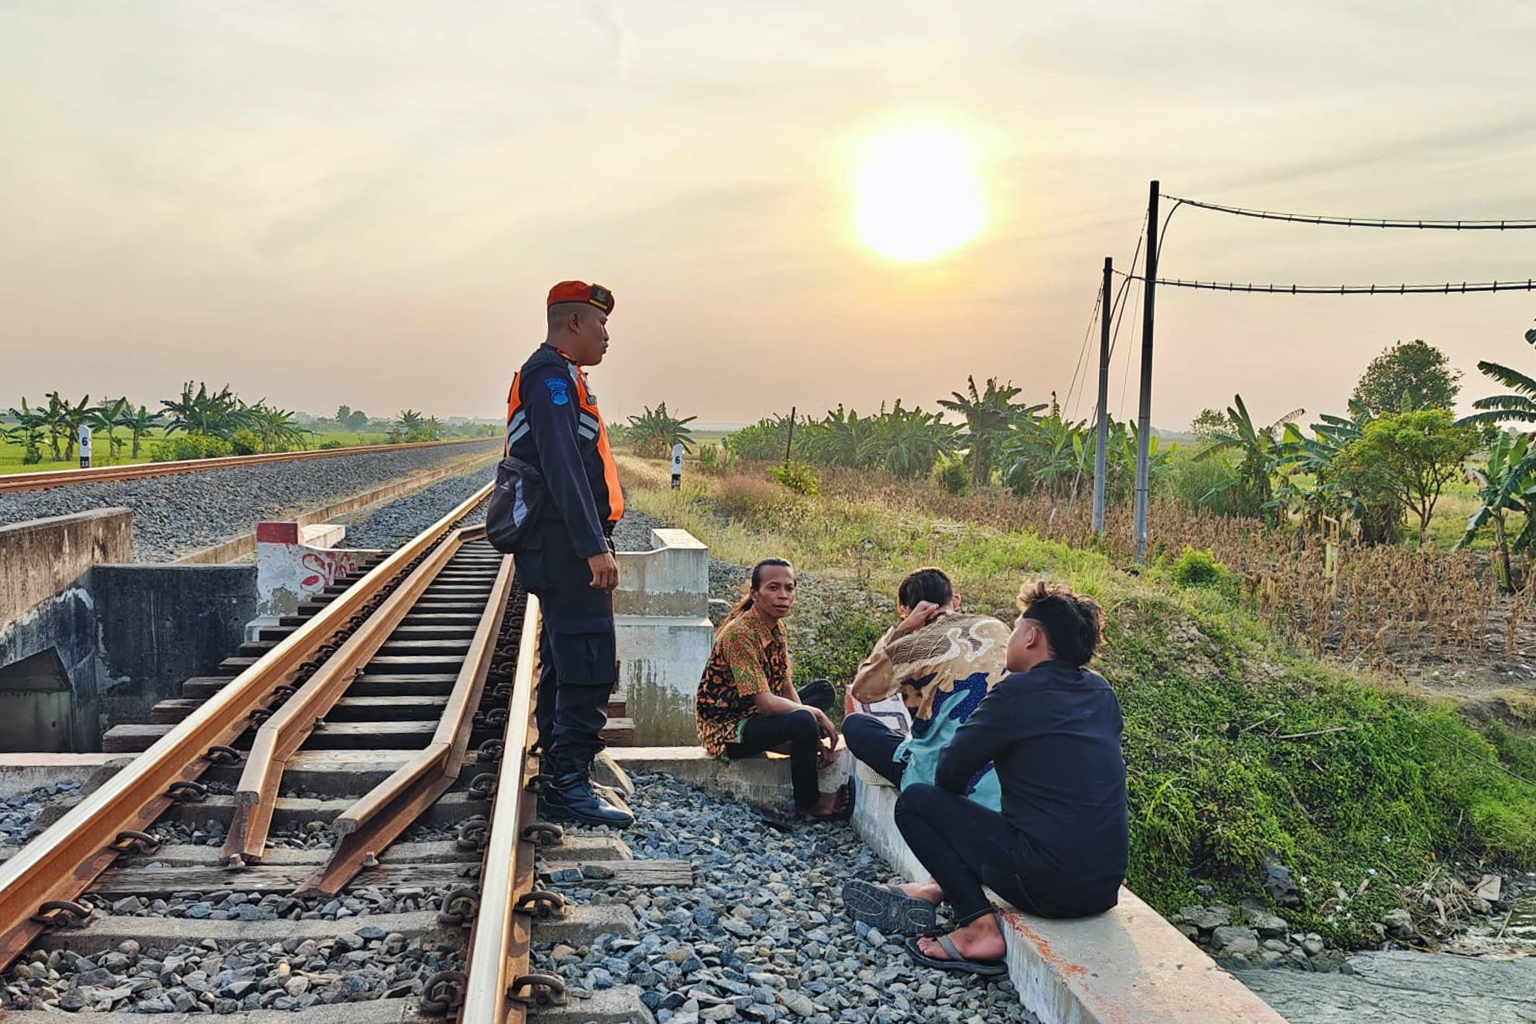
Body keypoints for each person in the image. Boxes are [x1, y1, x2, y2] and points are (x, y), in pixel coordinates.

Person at [878, 581, 1127, 978]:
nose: (1010, 638)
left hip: (1047, 887)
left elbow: (949, 772)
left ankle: (976, 927)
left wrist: (958, 833)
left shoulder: (1017, 691)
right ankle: (936, 888)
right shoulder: (1100, 692)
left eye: (1014, 629)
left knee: (918, 804)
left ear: (1031, 636)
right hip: (1102, 886)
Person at [504, 280, 632, 829]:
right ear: (574, 324)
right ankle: (569, 783)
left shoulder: (560, 376)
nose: (607, 337)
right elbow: (562, 465)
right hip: (564, 544)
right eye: (601, 325)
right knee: (587, 659)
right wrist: (593, 547)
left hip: (560, 541)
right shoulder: (551, 376)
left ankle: (561, 765)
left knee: (565, 657)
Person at [839, 567, 1011, 934]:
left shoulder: (911, 645)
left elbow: (863, 690)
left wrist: (899, 634)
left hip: (935, 779)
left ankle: (940, 895)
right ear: (957, 601)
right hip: (1001, 781)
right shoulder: (996, 628)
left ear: (905, 609)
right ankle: (930, 889)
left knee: (857, 727)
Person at [694, 558, 850, 821]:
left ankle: (797, 740)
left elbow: (784, 682)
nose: (783, 596)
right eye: (773, 588)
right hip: (728, 729)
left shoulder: (776, 626)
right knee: (803, 719)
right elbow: (767, 703)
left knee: (822, 692)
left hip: (757, 713)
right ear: (755, 594)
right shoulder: (739, 635)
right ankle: (809, 803)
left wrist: (811, 728)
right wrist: (812, 716)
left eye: (789, 589)